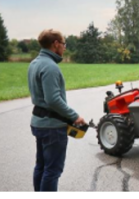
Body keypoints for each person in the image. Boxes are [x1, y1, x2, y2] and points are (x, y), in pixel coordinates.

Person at [28, 29, 86, 191]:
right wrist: (75, 116)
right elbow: (52, 100)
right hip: (52, 127)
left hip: (38, 123)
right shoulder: (50, 67)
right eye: (63, 44)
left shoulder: (34, 63)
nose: (64, 48)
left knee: (41, 166)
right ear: (55, 44)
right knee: (52, 171)